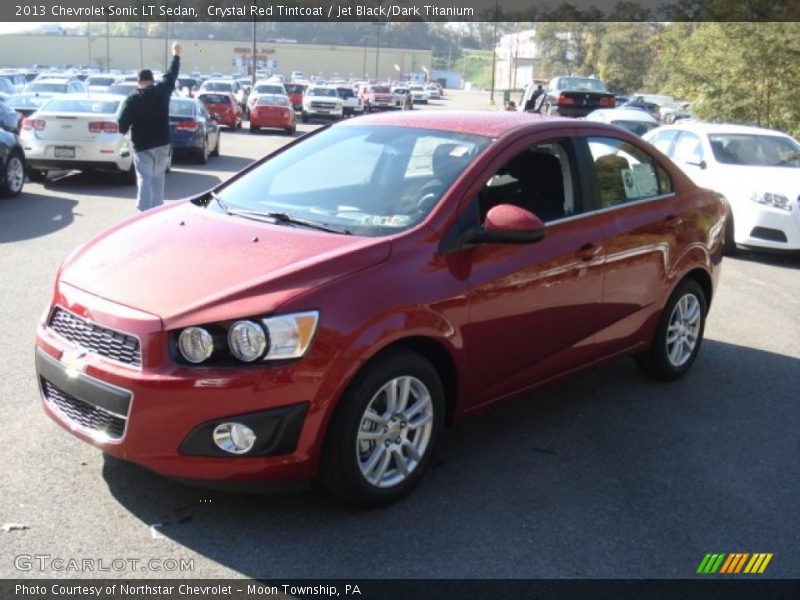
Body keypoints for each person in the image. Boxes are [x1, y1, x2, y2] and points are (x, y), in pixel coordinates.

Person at [119, 42, 181, 211]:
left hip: (143, 147)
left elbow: (122, 123)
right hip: (162, 143)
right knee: (158, 178)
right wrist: (176, 55)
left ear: (139, 82)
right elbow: (171, 75)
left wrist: (122, 135)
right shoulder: (162, 91)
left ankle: (143, 212)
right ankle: (157, 211)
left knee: (145, 178)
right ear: (152, 81)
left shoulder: (132, 99)